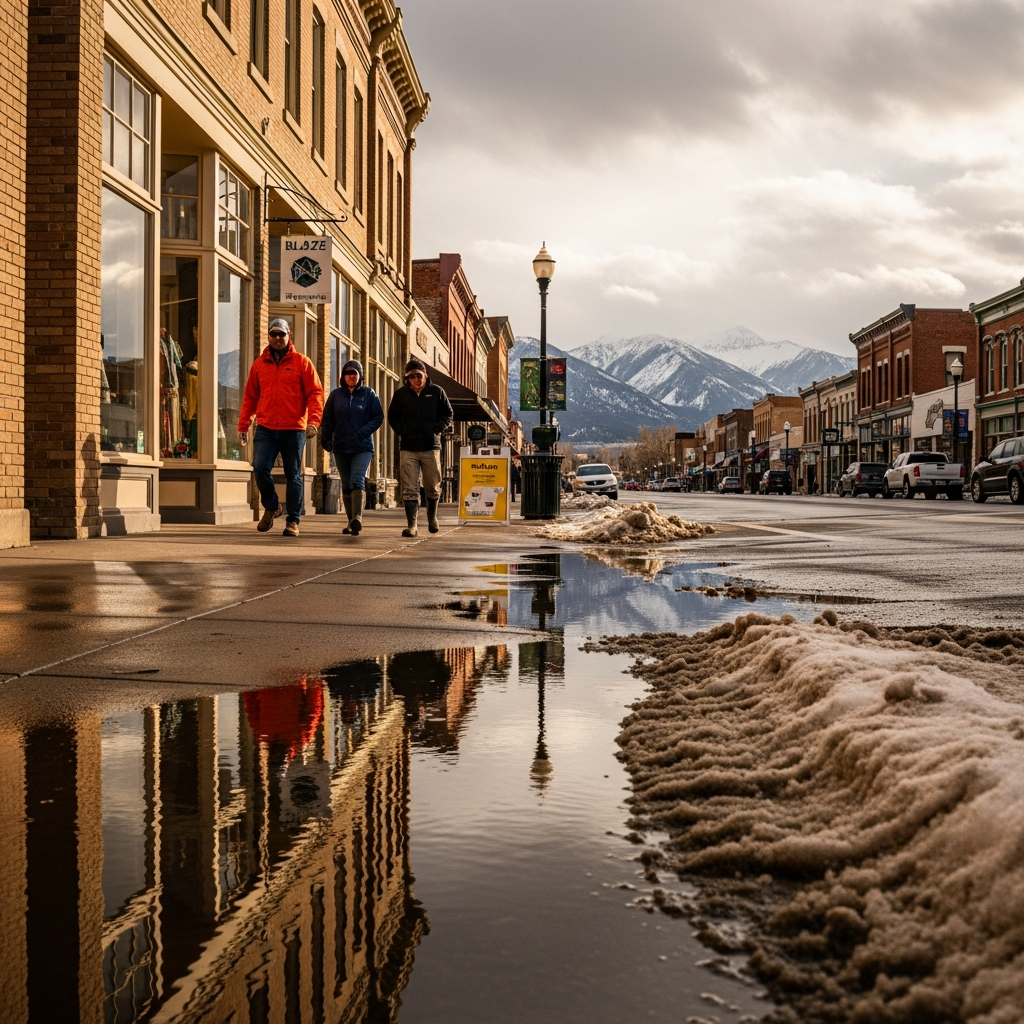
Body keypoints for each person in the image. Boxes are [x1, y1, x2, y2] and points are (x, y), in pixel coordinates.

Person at [238, 318, 324, 538]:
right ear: (268, 336)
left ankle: (293, 520)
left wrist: (314, 421)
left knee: (293, 475)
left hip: (294, 428)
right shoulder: (259, 364)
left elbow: (315, 393)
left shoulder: (302, 362)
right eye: (273, 334)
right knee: (259, 468)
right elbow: (250, 397)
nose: (277, 338)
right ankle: (273, 506)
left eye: (281, 335)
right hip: (266, 427)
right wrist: (244, 424)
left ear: (289, 336)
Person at [387, 358, 453, 537]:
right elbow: (392, 417)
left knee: (432, 486)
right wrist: (403, 431)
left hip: (431, 447)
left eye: (419, 375)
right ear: (407, 378)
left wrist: (435, 429)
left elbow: (448, 414)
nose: (416, 379)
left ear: (425, 375)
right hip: (408, 448)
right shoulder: (401, 395)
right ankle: (412, 525)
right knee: (409, 488)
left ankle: (432, 518)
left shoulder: (437, 392)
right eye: (411, 376)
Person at [319, 359, 383, 537]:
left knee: (357, 480)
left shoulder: (369, 394)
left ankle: (358, 518)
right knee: (346, 485)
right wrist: (326, 437)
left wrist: (363, 432)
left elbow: (378, 417)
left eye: (354, 373)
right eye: (348, 373)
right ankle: (351, 522)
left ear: (360, 375)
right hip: (341, 447)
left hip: (362, 447)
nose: (351, 376)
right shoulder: (336, 395)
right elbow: (328, 418)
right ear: (342, 376)